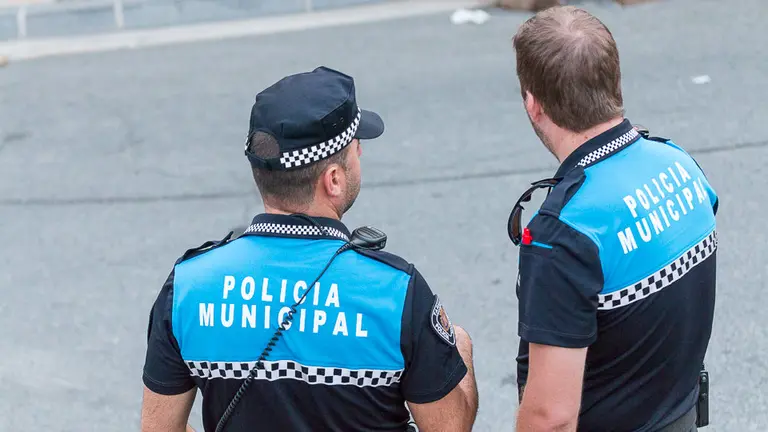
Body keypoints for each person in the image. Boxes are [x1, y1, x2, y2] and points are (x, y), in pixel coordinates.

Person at [140, 66, 478, 432]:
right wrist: (461, 348)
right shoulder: (395, 291)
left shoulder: (188, 285)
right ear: (333, 179)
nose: (360, 155)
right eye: (356, 149)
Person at [508, 6, 718, 432]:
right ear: (614, 83)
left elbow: (551, 417)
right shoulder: (679, 163)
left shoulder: (564, 234)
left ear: (533, 104)